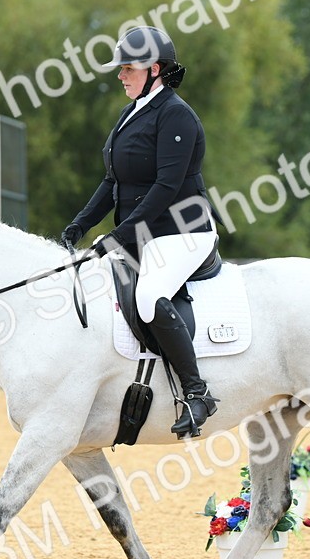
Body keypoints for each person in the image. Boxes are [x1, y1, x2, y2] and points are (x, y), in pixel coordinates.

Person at [60, 25, 220, 439]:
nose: (120, 75)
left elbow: (166, 189)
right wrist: (80, 224)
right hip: (144, 231)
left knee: (149, 296)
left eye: (127, 68)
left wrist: (119, 238)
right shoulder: (132, 111)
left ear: (154, 69)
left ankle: (197, 393)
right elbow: (113, 182)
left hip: (183, 230)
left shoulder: (176, 115)